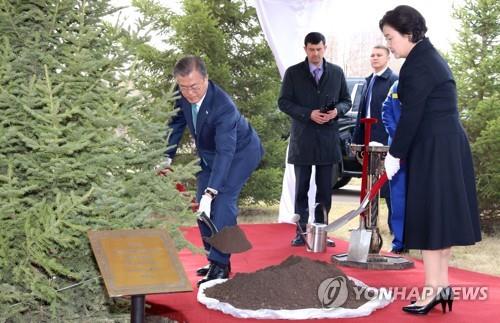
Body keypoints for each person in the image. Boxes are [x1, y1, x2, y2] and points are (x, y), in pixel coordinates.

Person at [380, 5, 481, 315]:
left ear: (408, 34)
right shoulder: (425, 56)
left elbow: (411, 116)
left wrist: (394, 154)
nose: (388, 45)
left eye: (390, 37)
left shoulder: (417, 64)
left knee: (431, 218)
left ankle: (433, 290)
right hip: (442, 144)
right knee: (437, 219)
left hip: (436, 146)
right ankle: (439, 287)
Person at [160, 56, 264, 286]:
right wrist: (166, 156)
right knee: (201, 206)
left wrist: (212, 191)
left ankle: (221, 266)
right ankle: (214, 258)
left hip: (239, 153)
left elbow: (226, 152)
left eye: (195, 86)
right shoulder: (183, 94)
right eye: (183, 87)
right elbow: (176, 123)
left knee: (223, 199)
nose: (189, 93)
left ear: (206, 79)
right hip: (209, 155)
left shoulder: (223, 106)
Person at [278, 32, 352, 246]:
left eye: (319, 49)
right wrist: (307, 113)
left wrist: (337, 111)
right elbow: (283, 102)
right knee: (301, 188)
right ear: (305, 49)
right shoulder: (293, 73)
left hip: (328, 140)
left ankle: (322, 232)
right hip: (303, 140)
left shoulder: (337, 73)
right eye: (311, 50)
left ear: (325, 48)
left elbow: (346, 101)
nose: (315, 53)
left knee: (325, 190)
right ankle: (300, 233)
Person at [352, 45, 398, 233]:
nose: (375, 58)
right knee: (368, 185)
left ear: (387, 58)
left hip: (385, 141)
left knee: (389, 187)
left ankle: (396, 231)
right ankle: (367, 226)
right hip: (368, 141)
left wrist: (393, 139)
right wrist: (357, 140)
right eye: (372, 55)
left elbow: (395, 112)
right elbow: (362, 114)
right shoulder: (369, 80)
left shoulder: (394, 80)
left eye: (379, 55)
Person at [381, 80, 407, 254]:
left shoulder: (426, 85)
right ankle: (399, 242)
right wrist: (397, 136)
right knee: (398, 196)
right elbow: (386, 110)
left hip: (421, 149)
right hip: (397, 148)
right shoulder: (396, 86)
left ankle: (424, 240)